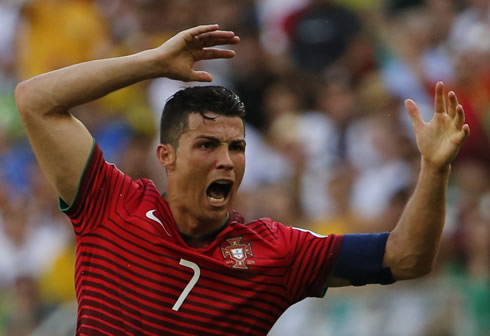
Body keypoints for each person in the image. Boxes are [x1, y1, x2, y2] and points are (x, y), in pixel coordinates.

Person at [14, 24, 469, 336]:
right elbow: (35, 99)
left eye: (237, 147)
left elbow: (406, 258)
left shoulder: (275, 253)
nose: (227, 161)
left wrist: (433, 170)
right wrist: (151, 63)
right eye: (207, 145)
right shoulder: (110, 203)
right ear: (165, 157)